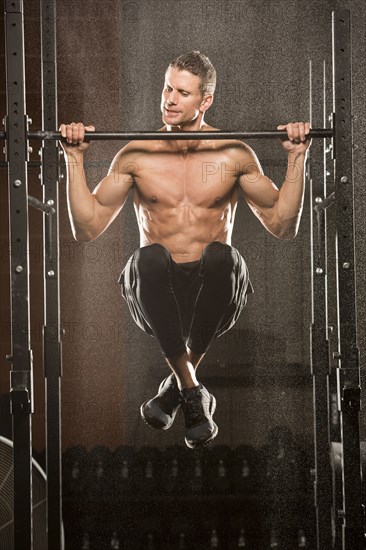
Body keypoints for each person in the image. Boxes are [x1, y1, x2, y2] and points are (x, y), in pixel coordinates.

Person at [60, 51, 311, 449]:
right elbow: (87, 228)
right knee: (149, 257)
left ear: (205, 101)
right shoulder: (136, 155)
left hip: (214, 293)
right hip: (155, 292)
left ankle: (177, 388)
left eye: (182, 92)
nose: (169, 100)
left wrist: (297, 159)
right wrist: (73, 159)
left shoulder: (233, 154)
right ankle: (192, 389)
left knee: (222, 256)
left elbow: (283, 225)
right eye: (167, 87)